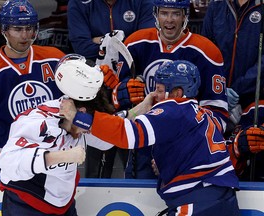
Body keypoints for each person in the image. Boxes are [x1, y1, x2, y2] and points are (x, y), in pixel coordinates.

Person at [64, 60, 240, 216]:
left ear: (177, 93)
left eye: (159, 90)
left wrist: (80, 118)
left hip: (197, 202)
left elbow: (128, 134)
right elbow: (199, 152)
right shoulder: (204, 114)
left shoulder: (173, 109)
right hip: (224, 199)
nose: (154, 95)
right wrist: (169, 162)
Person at [110, 0, 228, 179]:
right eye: (164, 13)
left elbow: (218, 116)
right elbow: (115, 100)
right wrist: (123, 93)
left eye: (176, 14)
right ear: (156, 14)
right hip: (145, 141)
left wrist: (183, 147)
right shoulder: (135, 43)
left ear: (185, 16)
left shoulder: (207, 51)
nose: (169, 20)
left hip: (186, 146)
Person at [0, 54, 117, 215]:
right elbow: (7, 161)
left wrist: (136, 111)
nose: (90, 129)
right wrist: (62, 157)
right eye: (89, 124)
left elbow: (107, 140)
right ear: (80, 112)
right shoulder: (39, 122)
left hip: (62, 203)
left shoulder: (79, 118)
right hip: (27, 201)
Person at [0, 0, 65, 175]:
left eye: (29, 28)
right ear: (4, 30)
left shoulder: (55, 59)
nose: (25, 36)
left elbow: (73, 105)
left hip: (49, 158)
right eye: (17, 29)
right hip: (6, 160)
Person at [67, 0, 155, 178]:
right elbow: (81, 46)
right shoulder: (79, 3)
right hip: (94, 92)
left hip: (131, 88)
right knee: (95, 163)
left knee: (133, 161)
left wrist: (101, 41)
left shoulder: (143, 2)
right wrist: (113, 43)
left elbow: (144, 44)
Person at [201, 0, 264, 180]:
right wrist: (219, 90)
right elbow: (205, 51)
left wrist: (237, 89)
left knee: (252, 152)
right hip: (217, 98)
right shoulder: (216, 7)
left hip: (254, 100)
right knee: (216, 157)